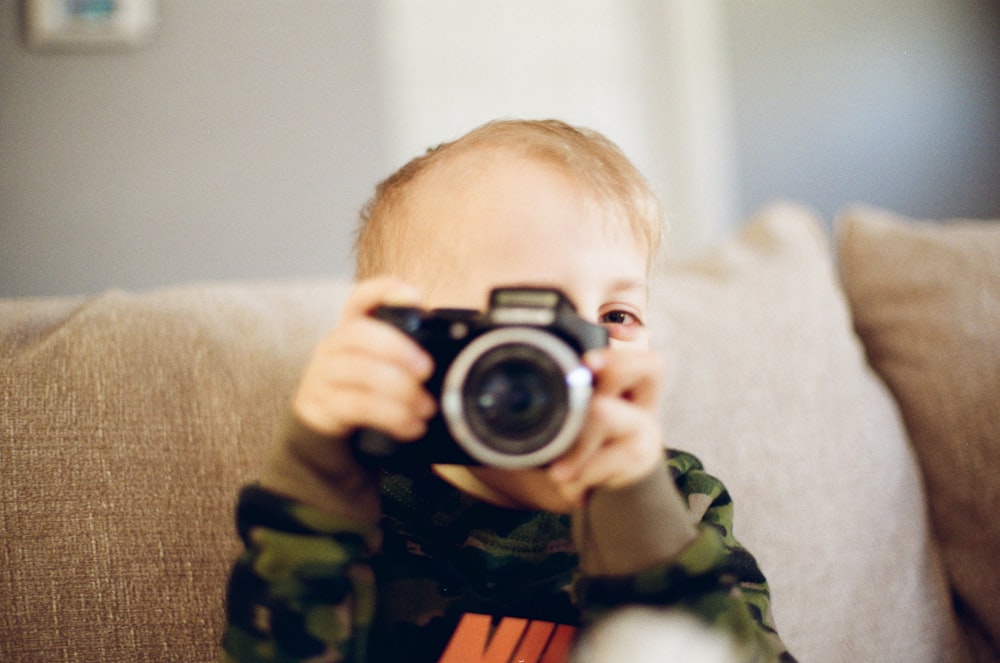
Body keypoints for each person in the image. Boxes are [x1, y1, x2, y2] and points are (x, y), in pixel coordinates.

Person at [222, 119, 794, 662]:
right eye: (532, 327)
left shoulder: (676, 498)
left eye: (617, 315)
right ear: (418, 345)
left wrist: (638, 522)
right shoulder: (364, 504)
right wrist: (315, 474)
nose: (582, 354)